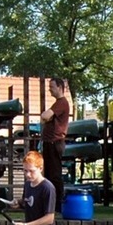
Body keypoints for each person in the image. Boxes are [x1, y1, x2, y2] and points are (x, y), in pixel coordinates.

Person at [39, 76, 70, 208]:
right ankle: (52, 202)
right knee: (50, 174)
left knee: (54, 174)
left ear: (59, 87)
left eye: (51, 87)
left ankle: (57, 203)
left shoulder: (61, 103)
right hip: (50, 142)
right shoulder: (58, 103)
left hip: (54, 142)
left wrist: (45, 118)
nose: (49, 90)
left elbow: (44, 116)